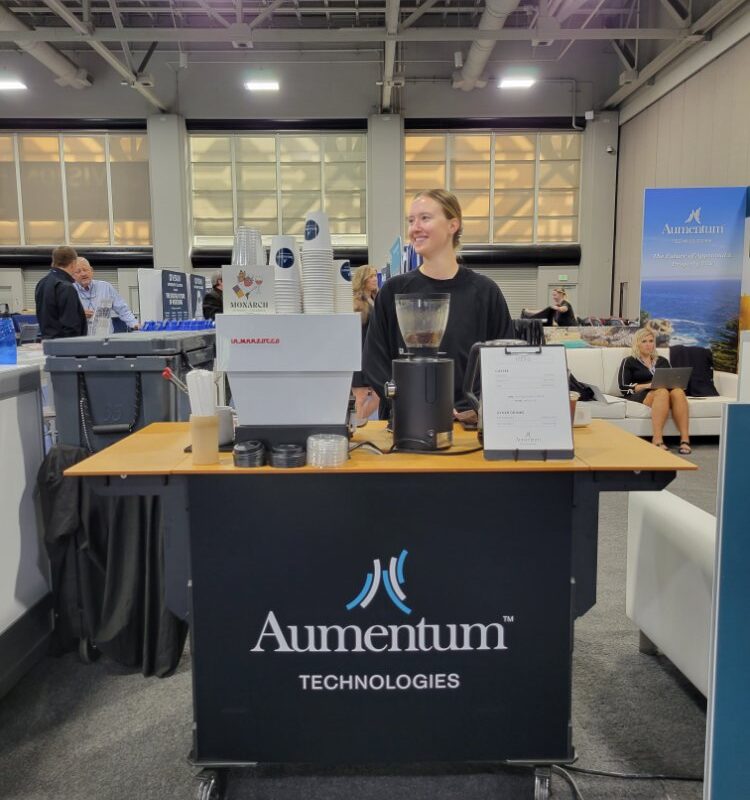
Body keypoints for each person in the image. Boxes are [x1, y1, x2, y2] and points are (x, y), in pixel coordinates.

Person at [362, 188, 514, 421]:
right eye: (411, 221)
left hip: (469, 426)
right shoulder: (393, 292)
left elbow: (505, 361)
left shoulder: (485, 292)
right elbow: (374, 362)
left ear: (453, 225)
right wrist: (407, 400)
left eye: (425, 218)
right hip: (406, 423)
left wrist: (476, 408)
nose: (415, 228)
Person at [618, 327, 691, 454]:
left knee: (678, 391)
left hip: (664, 393)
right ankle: (657, 439)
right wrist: (648, 385)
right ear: (637, 344)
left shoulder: (662, 361)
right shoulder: (629, 361)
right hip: (642, 394)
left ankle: (685, 440)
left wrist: (675, 384)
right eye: (644, 341)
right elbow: (623, 387)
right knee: (661, 391)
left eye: (651, 341)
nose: (648, 345)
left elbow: (671, 379)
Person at [73, 258, 139, 334]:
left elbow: (123, 309)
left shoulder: (105, 287)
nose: (83, 274)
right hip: (81, 341)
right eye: (78, 271)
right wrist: (78, 315)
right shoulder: (69, 290)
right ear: (73, 275)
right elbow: (61, 317)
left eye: (85, 270)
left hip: (105, 340)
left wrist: (135, 324)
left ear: (91, 270)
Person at [35, 246, 87, 339]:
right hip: (66, 347)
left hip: (48, 344)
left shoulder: (41, 283)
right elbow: (71, 325)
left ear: (54, 261)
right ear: (73, 263)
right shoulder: (66, 287)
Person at [351, 265, 380, 422]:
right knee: (360, 396)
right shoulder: (357, 303)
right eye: (371, 276)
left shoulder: (376, 299)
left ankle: (359, 423)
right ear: (362, 280)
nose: (375, 279)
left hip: (372, 356)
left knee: (378, 396)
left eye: (375, 275)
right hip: (359, 356)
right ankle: (358, 427)